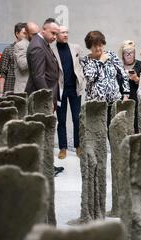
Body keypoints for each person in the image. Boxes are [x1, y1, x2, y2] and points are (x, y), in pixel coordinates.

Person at [25, 18, 63, 176]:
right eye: (53, 33)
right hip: (41, 99)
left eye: (57, 34)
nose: (55, 36)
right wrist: (48, 99)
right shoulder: (38, 46)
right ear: (44, 29)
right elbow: (39, 76)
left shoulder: (43, 44)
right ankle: (42, 168)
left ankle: (47, 166)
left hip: (46, 97)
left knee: (45, 134)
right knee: (41, 134)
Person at [80, 30, 130, 132]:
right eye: (95, 46)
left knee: (115, 131)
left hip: (114, 101)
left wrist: (126, 94)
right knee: (98, 133)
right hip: (96, 104)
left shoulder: (111, 55)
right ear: (90, 46)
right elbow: (90, 77)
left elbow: (123, 74)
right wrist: (101, 61)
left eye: (100, 45)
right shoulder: (85, 60)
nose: (98, 48)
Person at [51, 26, 85, 159]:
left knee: (77, 119)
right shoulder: (51, 50)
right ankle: (63, 148)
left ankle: (78, 146)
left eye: (66, 32)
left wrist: (82, 77)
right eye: (62, 33)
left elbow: (83, 63)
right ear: (56, 35)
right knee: (61, 120)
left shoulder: (76, 47)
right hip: (60, 91)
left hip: (75, 89)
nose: (65, 35)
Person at [118, 40, 141, 133]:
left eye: (131, 53)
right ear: (122, 55)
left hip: (136, 102)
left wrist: (136, 79)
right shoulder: (118, 66)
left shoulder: (140, 65)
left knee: (136, 128)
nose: (129, 55)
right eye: (126, 53)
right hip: (122, 101)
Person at [0, 22, 27, 96]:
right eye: (24, 33)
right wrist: (1, 92)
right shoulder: (9, 49)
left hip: (24, 88)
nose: (26, 35)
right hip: (10, 88)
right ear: (17, 34)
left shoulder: (29, 49)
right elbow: (3, 72)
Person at [13, 21, 40, 93]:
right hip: (23, 89)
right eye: (34, 34)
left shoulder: (36, 44)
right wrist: (36, 54)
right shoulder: (20, 45)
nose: (37, 36)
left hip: (35, 88)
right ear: (27, 34)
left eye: (38, 34)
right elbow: (23, 65)